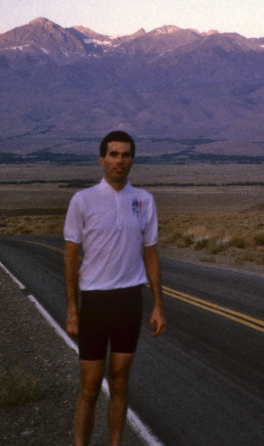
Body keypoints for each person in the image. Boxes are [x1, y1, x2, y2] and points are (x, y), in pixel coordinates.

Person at [64, 130, 166, 446]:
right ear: (102, 159)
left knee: (120, 382)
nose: (119, 161)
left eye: (125, 155)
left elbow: (150, 253)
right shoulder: (83, 200)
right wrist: (72, 309)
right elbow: (70, 257)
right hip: (94, 301)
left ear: (132, 160)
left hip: (128, 300)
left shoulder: (144, 200)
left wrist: (158, 305)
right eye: (113, 154)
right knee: (90, 385)